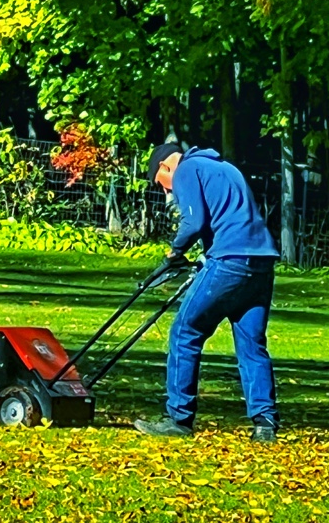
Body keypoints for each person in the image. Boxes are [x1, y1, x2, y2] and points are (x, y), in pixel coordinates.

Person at [133, 143, 279, 441]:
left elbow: (194, 221)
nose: (165, 192)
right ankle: (265, 424)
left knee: (185, 331)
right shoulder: (225, 168)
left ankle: (178, 418)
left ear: (165, 167)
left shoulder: (187, 169)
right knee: (252, 344)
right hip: (261, 263)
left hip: (229, 262)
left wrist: (175, 252)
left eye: (159, 184)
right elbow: (229, 217)